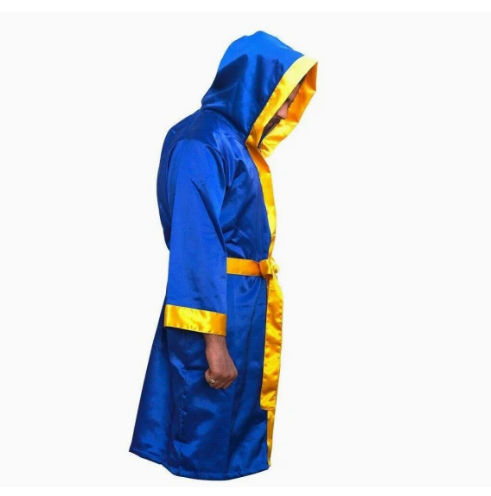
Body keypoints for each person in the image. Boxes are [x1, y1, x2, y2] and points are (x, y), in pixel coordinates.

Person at [129, 30, 317, 480]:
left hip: (243, 305)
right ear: (254, 84)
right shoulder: (203, 141)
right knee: (201, 435)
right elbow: (196, 245)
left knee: (230, 438)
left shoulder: (232, 143)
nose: (290, 107)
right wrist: (214, 343)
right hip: (214, 307)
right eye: (284, 91)